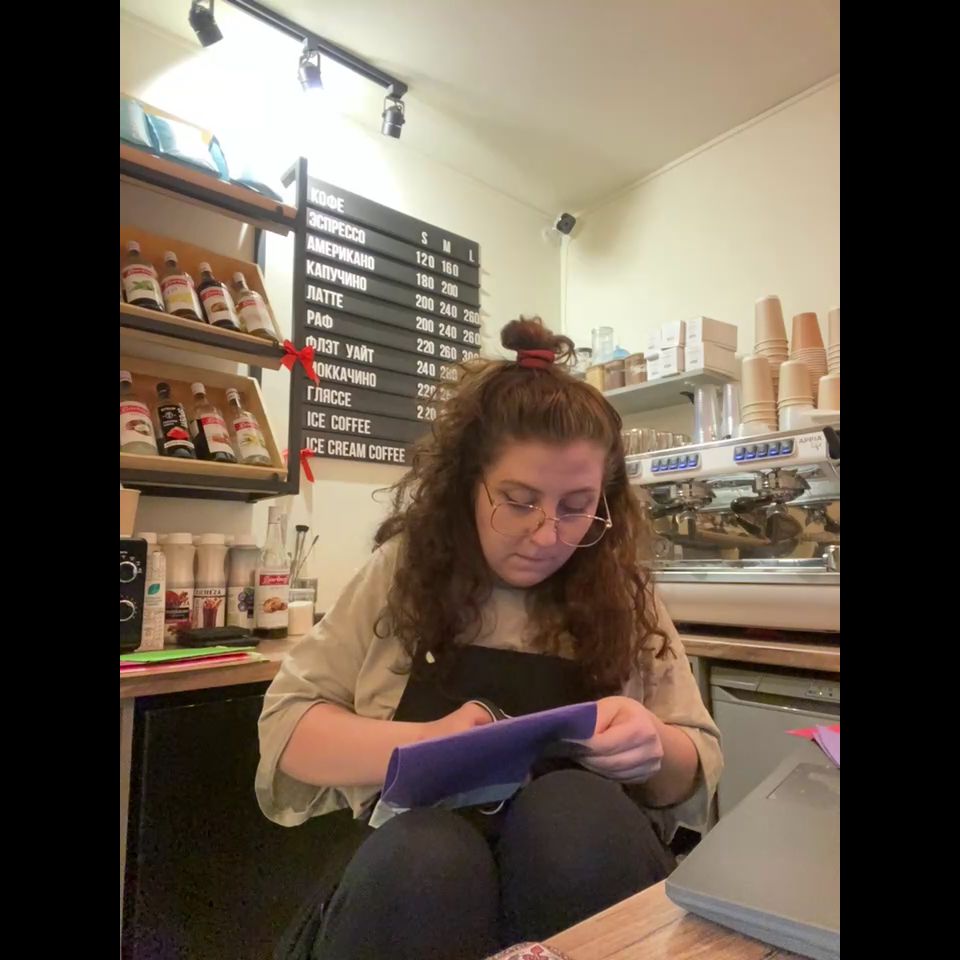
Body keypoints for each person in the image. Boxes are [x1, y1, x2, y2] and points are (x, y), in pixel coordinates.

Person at [257, 317, 723, 960]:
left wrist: (655, 747)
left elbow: (693, 767)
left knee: (573, 815)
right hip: (415, 886)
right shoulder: (403, 571)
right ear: (468, 482)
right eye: (518, 500)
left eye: (576, 506)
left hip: (585, 873)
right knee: (430, 855)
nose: (547, 535)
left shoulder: (622, 591)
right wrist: (425, 744)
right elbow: (289, 730)